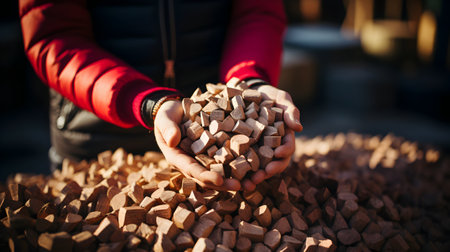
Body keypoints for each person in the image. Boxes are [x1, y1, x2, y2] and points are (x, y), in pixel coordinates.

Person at [19, 0, 302, 191]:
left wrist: (250, 79)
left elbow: (257, 10)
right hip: (96, 139)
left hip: (209, 140)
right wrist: (144, 102)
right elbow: (53, 36)